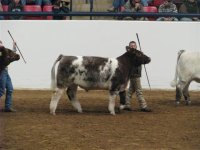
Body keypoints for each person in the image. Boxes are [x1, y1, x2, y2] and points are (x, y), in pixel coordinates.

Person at [119, 41, 151, 112]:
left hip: (134, 74)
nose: (133, 46)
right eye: (131, 45)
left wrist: (141, 56)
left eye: (134, 45)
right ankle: (143, 106)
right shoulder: (132, 55)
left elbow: (144, 60)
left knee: (131, 90)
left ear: (136, 46)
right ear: (130, 47)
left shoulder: (136, 54)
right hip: (135, 74)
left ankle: (127, 104)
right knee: (139, 90)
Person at [0, 40, 17, 112]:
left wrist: (14, 46)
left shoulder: (4, 50)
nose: (1, 45)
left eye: (1, 43)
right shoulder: (1, 53)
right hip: (1, 72)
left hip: (5, 72)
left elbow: (11, 54)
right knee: (1, 91)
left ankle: (7, 107)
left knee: (10, 89)